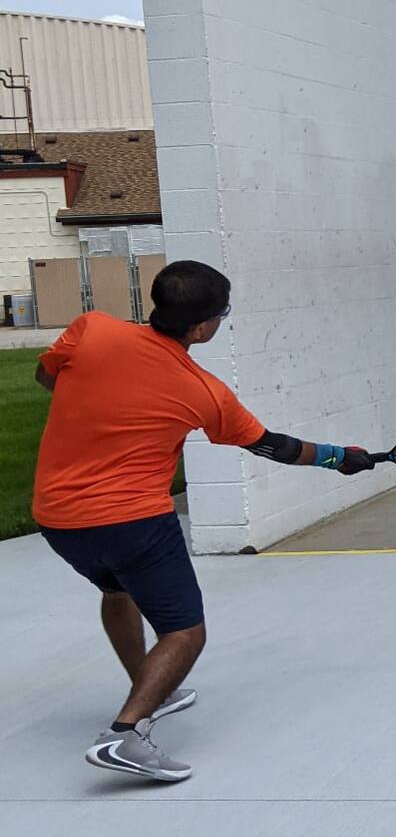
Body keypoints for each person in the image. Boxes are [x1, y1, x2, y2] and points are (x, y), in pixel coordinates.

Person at [32, 260, 377, 783]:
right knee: (184, 631)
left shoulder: (93, 329)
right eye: (221, 315)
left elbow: (46, 375)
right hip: (133, 523)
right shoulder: (203, 391)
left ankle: (152, 688)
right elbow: (274, 447)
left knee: (116, 592)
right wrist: (338, 456)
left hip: (58, 518)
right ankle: (127, 733)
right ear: (199, 328)